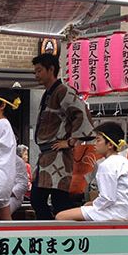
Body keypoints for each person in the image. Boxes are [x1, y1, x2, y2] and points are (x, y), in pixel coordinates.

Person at [31, 53, 94, 219]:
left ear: (51, 69)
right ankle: (54, 230)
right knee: (45, 199)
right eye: (35, 71)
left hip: (58, 154)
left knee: (54, 200)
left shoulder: (63, 90)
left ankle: (57, 232)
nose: (36, 75)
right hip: (47, 153)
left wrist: (71, 142)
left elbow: (82, 113)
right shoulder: (50, 93)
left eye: (39, 71)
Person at [56, 122, 128, 221]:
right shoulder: (127, 163)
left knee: (60, 216)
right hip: (125, 211)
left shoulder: (106, 165)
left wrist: (93, 205)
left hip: (111, 213)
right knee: (86, 206)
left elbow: (108, 198)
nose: (94, 144)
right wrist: (91, 204)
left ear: (110, 145)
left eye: (98, 140)